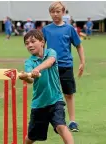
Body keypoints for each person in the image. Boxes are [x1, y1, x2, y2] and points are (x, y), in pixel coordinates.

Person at [18, 29, 74, 144]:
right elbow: (31, 79)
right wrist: (25, 77)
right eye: (27, 43)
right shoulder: (29, 62)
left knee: (61, 126)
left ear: (42, 42)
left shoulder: (50, 52)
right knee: (31, 137)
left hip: (55, 100)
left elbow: (50, 62)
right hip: (39, 104)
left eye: (33, 41)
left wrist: (37, 69)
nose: (30, 45)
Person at [42, 1, 85, 132]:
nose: (55, 14)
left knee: (69, 94)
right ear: (50, 13)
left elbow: (78, 45)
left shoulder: (69, 29)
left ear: (63, 12)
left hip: (66, 66)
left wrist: (82, 62)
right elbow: (41, 47)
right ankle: (57, 121)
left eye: (58, 11)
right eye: (53, 12)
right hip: (51, 67)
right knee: (53, 95)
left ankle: (72, 121)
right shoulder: (46, 29)